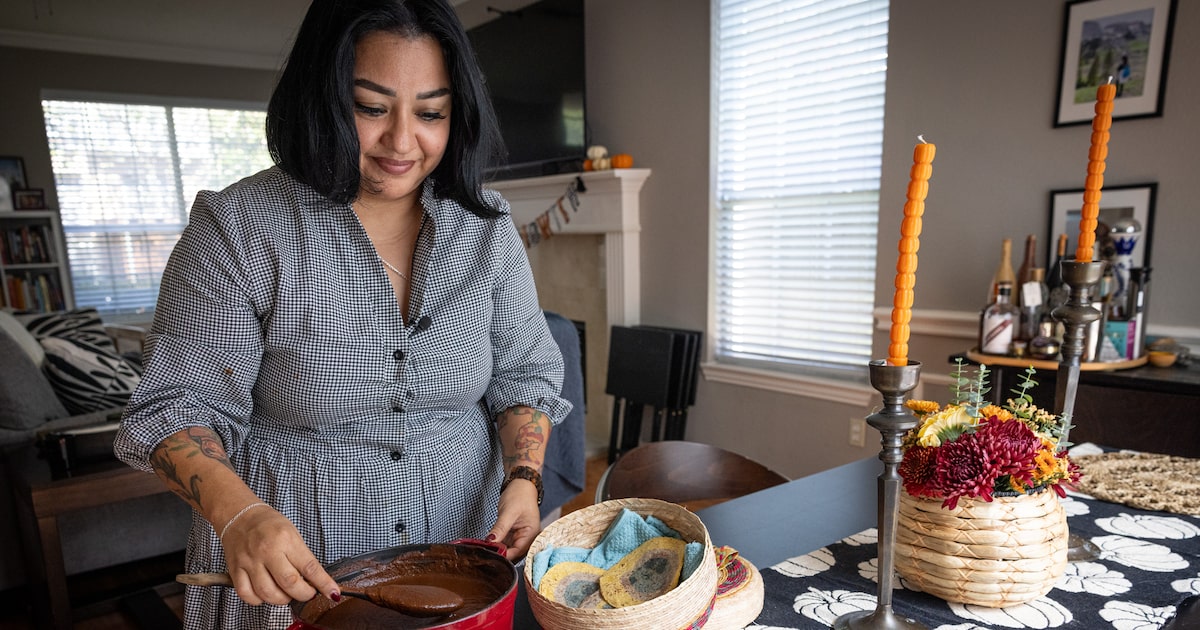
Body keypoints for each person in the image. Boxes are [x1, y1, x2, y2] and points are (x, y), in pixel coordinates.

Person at [113, 0, 572, 627]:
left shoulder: (485, 227)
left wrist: (524, 478)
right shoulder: (241, 228)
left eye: (431, 112)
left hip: (460, 561)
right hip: (296, 576)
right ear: (322, 98)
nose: (403, 142)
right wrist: (240, 517)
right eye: (372, 108)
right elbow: (173, 409)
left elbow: (523, 376)